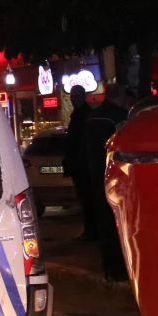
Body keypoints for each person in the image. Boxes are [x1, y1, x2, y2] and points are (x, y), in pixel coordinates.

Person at [83, 85, 133, 282]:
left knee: (103, 222)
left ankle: (109, 268)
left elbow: (84, 146)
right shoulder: (119, 116)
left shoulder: (92, 117)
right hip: (114, 174)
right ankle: (120, 268)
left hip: (95, 174)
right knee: (118, 222)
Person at [61, 85, 97, 241]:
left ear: (83, 97)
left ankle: (92, 232)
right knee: (86, 200)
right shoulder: (80, 115)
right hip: (81, 165)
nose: (73, 100)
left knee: (88, 200)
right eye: (72, 97)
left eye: (76, 97)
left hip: (83, 166)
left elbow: (80, 142)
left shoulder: (83, 116)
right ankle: (91, 231)